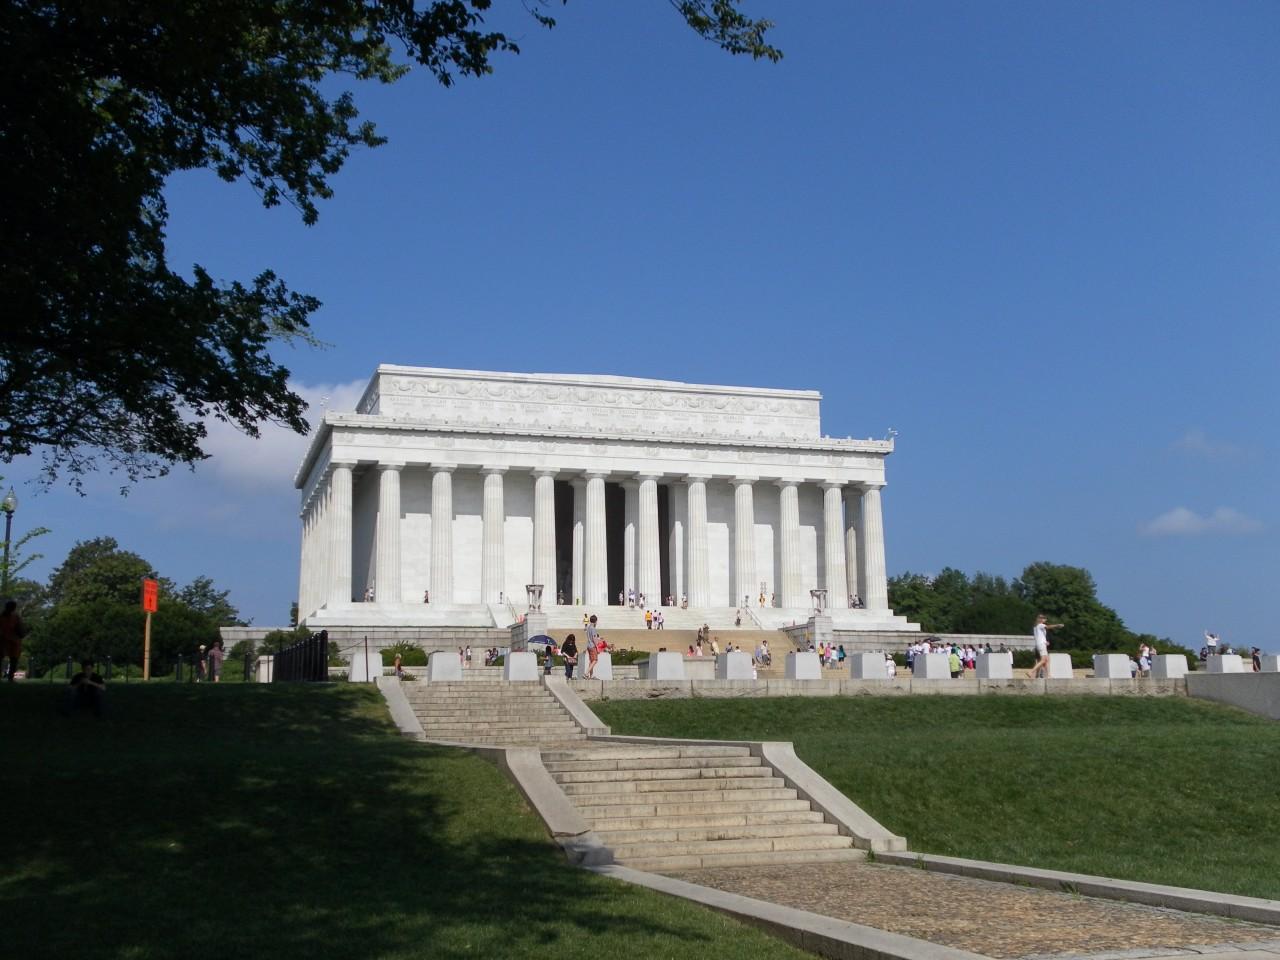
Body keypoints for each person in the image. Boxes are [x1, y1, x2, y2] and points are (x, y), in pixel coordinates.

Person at [1027, 614, 1064, 679]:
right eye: (1042, 618)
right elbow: (1048, 627)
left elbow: (1039, 637)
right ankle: (1031, 672)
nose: (1043, 619)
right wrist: (1057, 625)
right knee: (1043, 660)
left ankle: (1049, 675)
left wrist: (1045, 642)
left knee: (1047, 660)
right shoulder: (1040, 625)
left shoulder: (1036, 627)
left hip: (1040, 644)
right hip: (1041, 645)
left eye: (1044, 618)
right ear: (1039, 619)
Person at [0, 600, 26, 682]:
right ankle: (10, 678)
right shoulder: (3, 617)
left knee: (14, 660)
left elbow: (20, 628)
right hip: (4, 640)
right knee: (11, 659)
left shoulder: (15, 617)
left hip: (13, 641)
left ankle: (10, 678)